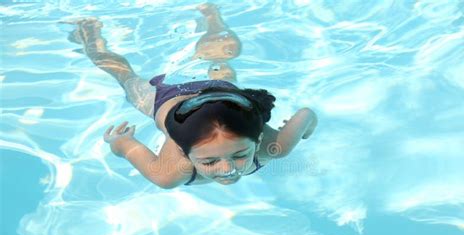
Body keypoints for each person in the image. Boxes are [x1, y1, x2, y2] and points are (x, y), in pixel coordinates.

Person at [65, 3, 318, 189]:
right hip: (164, 99)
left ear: (260, 136)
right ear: (182, 152)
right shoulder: (170, 173)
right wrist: (120, 142)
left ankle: (211, 15)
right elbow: (124, 148)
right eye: (208, 162)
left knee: (223, 56)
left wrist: (306, 128)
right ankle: (90, 38)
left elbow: (307, 115)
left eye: (240, 155)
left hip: (222, 97)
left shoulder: (273, 145)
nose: (227, 169)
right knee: (126, 79)